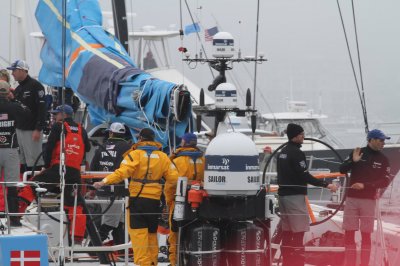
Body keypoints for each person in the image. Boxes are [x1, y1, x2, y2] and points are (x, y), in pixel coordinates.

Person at [94, 128, 179, 266]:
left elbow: (121, 173)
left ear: (140, 139)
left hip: (137, 200)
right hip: (154, 202)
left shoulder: (134, 155)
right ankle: (152, 262)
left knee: (139, 236)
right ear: (153, 139)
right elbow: (174, 178)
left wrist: (104, 182)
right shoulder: (163, 157)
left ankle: (143, 264)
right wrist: (169, 198)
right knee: (152, 234)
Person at [18, 104, 91, 243]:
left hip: (58, 168)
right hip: (74, 172)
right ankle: (76, 240)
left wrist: (46, 166)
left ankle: (15, 215)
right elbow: (87, 148)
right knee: (74, 206)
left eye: (56, 114)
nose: (54, 116)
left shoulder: (58, 126)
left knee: (31, 185)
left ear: (63, 115)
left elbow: (49, 147)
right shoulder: (81, 129)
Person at [277, 123, 337, 266]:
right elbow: (305, 176)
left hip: (283, 196)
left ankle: (287, 262)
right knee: (298, 231)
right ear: (295, 136)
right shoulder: (297, 153)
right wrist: (326, 184)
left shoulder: (282, 152)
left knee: (287, 231)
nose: (303, 137)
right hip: (295, 197)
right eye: (302, 134)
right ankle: (297, 263)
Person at [339, 129, 391, 266]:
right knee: (349, 232)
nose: (383, 143)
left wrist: (365, 185)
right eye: (381, 140)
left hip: (369, 200)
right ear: (371, 140)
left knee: (366, 234)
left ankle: (364, 264)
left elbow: (385, 181)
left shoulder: (384, 159)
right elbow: (341, 169)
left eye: (384, 140)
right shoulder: (357, 152)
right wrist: (353, 161)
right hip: (352, 200)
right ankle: (350, 264)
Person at [90, 122, 130, 245]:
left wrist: (93, 186)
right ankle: (92, 248)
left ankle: (120, 247)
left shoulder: (101, 146)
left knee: (119, 220)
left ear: (111, 133)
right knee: (110, 222)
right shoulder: (127, 148)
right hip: (116, 190)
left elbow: (93, 166)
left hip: (101, 188)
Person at [167, 132, 205, 266]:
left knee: (175, 233)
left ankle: (174, 262)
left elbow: (171, 183)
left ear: (184, 142)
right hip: (199, 202)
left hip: (179, 200)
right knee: (194, 231)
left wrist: (168, 201)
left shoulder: (176, 160)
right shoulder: (203, 160)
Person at [0, 81, 31, 226]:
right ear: (8, 93)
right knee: (11, 185)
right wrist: (13, 99)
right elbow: (28, 112)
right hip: (10, 150)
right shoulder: (14, 106)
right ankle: (13, 219)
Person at [7, 60, 46, 172]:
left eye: (14, 70)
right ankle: (25, 188)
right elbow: (18, 107)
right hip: (19, 129)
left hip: (31, 130)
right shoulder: (18, 89)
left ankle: (34, 187)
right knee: (23, 161)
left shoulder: (36, 86)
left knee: (34, 161)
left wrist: (38, 129)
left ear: (22, 70)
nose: (12, 74)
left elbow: (42, 109)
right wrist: (12, 99)